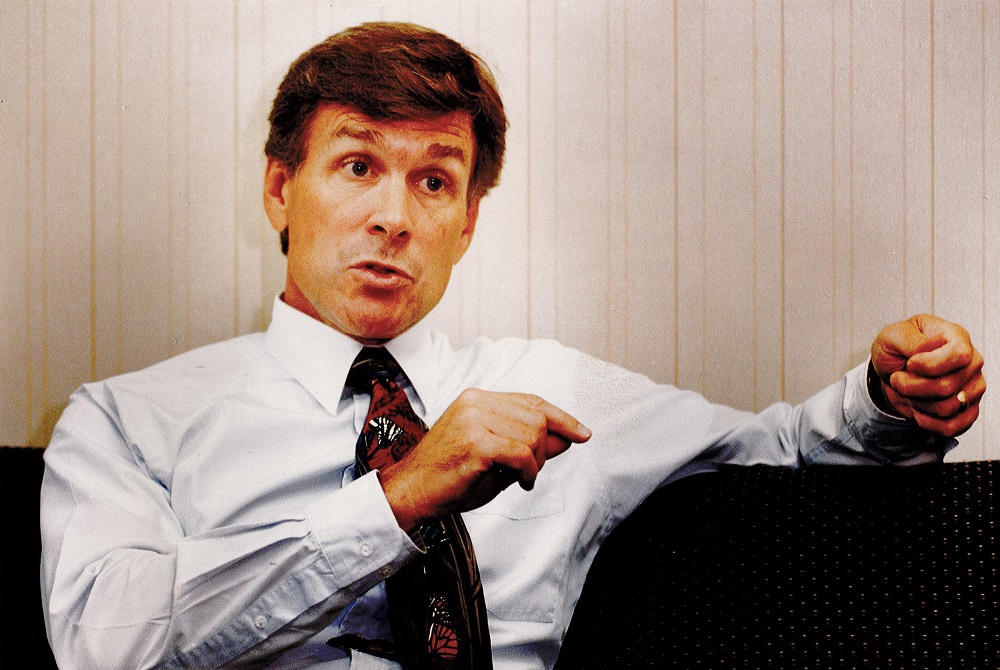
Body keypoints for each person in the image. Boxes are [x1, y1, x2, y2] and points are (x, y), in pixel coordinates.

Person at [40, 21, 985, 670]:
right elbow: (103, 647)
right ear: (281, 191)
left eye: (434, 182)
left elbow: (780, 452)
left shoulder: (551, 387)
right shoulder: (129, 419)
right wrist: (398, 499)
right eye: (358, 165)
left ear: (467, 222)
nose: (393, 218)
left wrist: (892, 401)